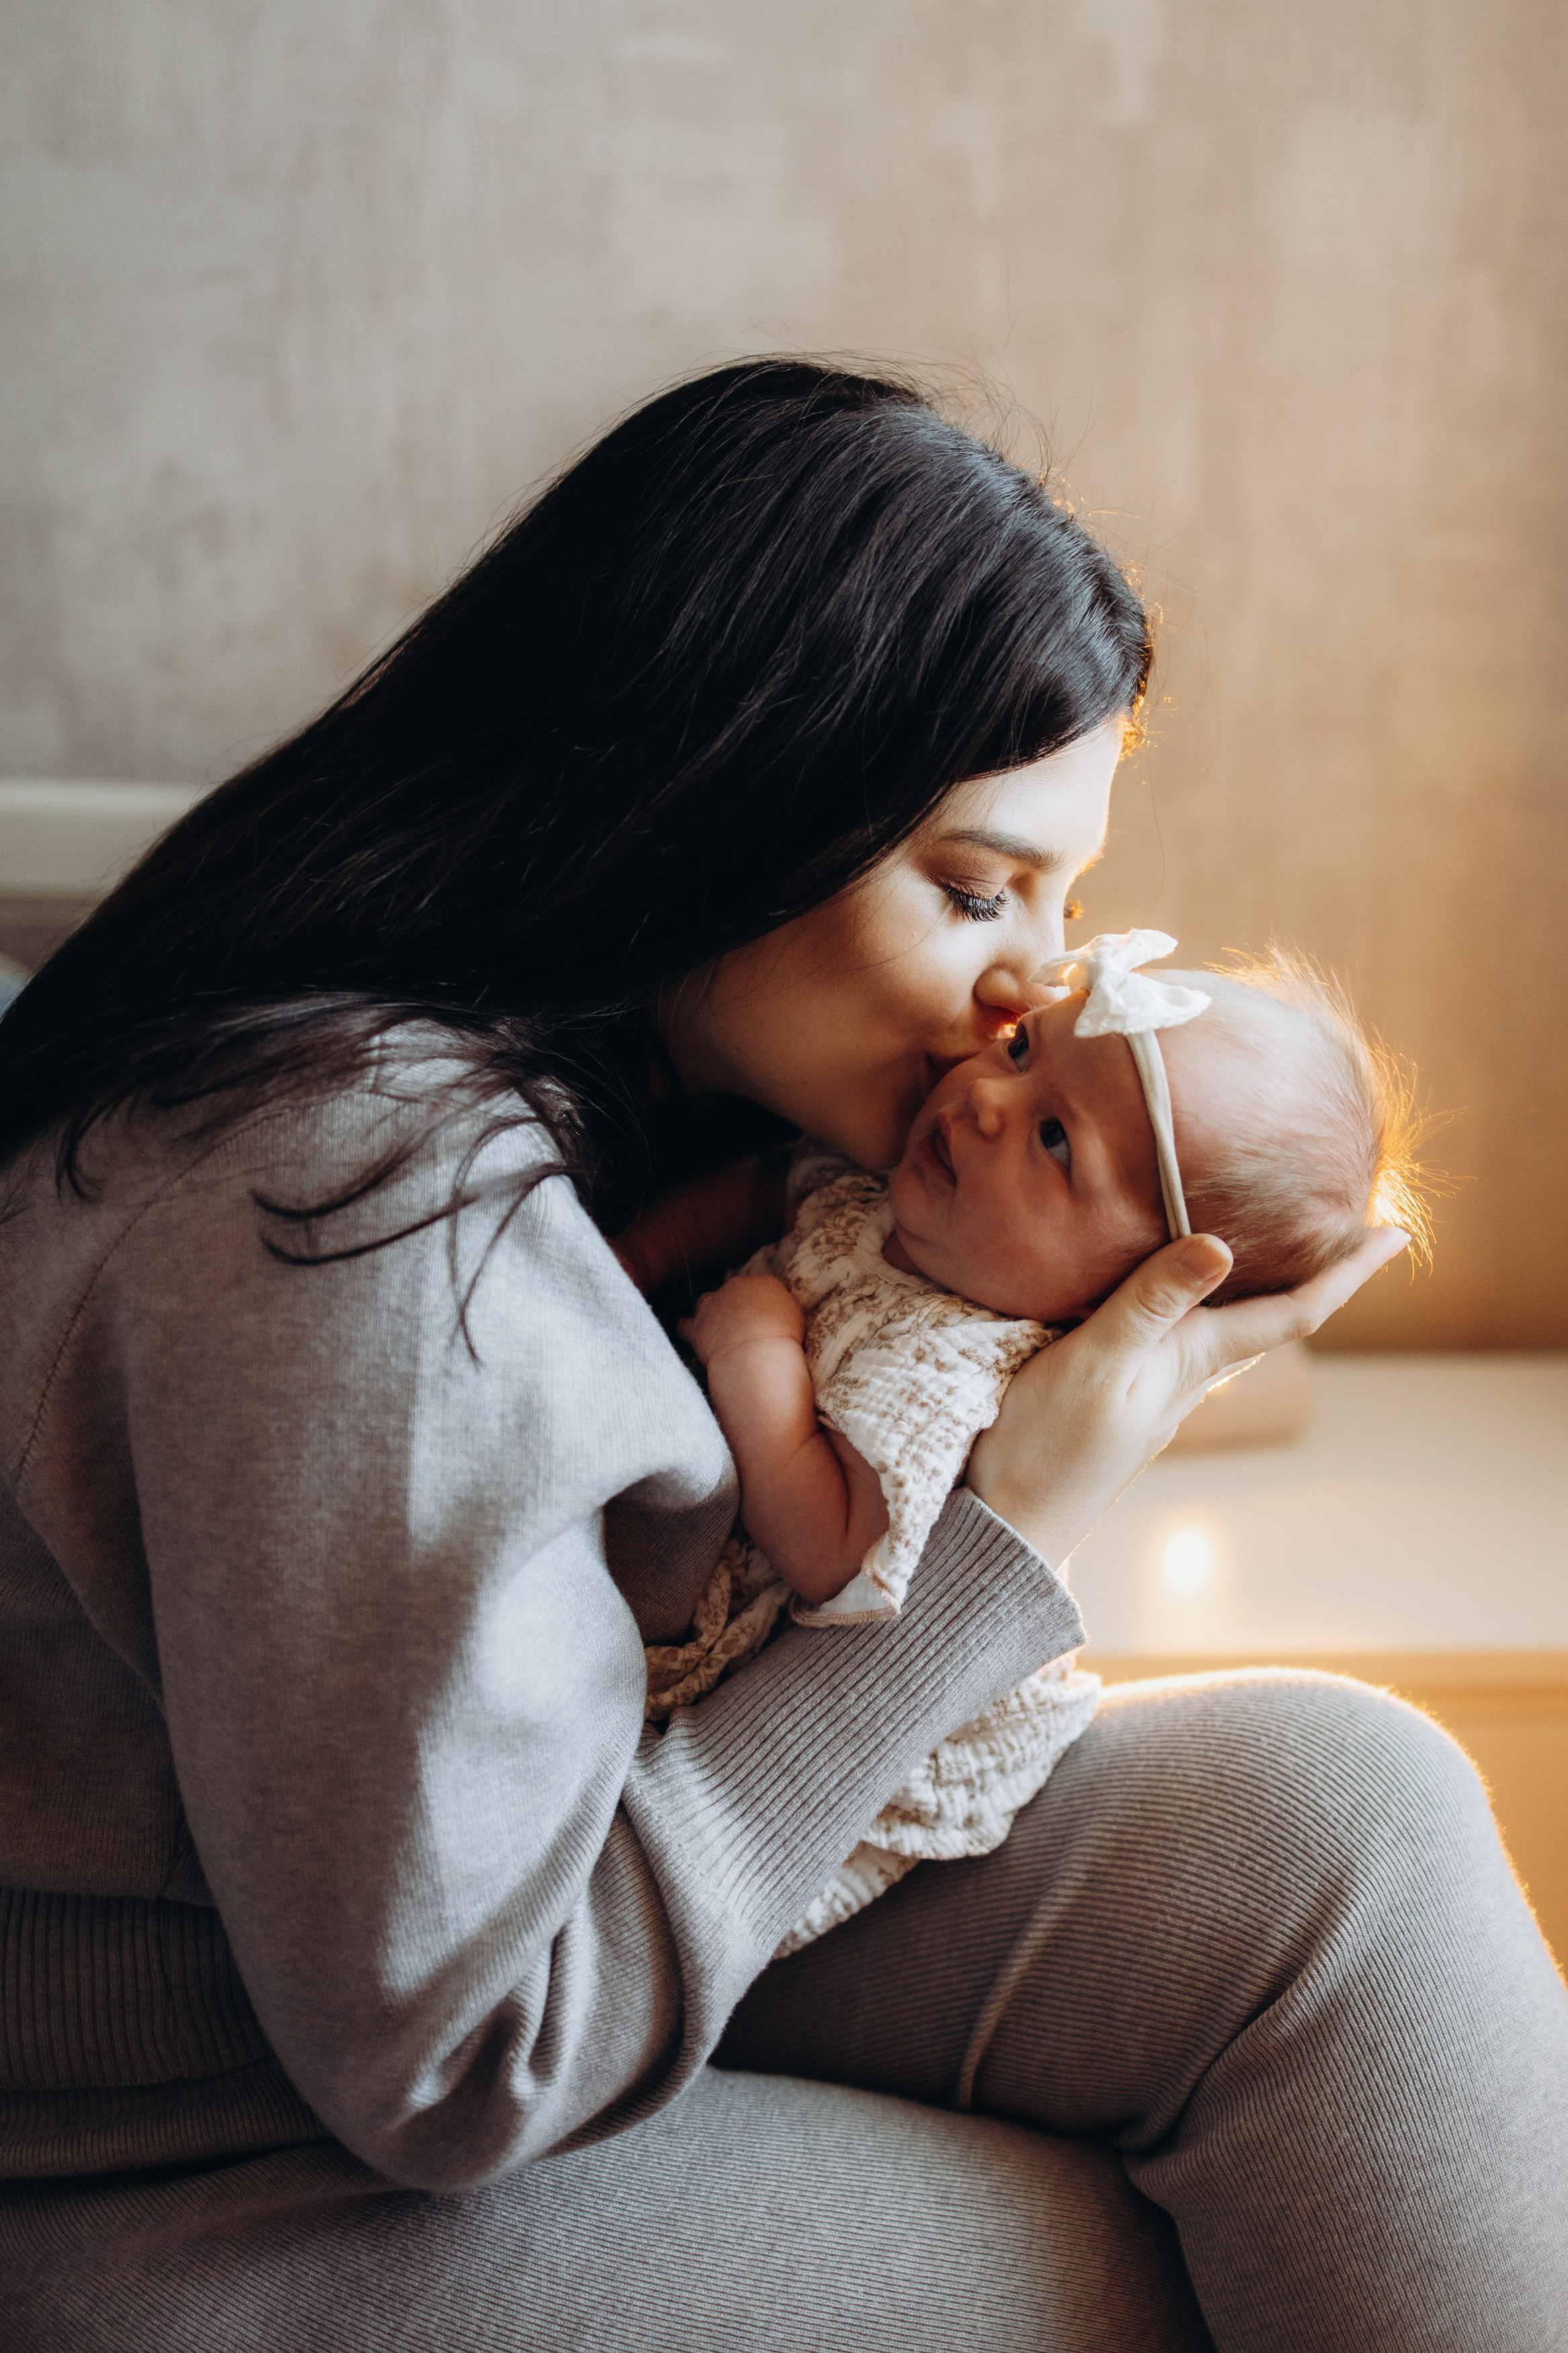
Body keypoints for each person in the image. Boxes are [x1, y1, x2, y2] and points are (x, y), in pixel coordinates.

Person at [0, 362, 1561, 2353]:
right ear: (731, 784)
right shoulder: (351, 1205)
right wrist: (990, 1552)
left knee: (1349, 1810)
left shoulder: (625, 1114)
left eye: (1065, 903)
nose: (1037, 982)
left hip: (485, 1941)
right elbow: (464, 2053)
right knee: (1170, 2248)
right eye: (975, 887)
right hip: (204, 2149)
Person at [639, 934, 1430, 1956]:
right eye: (1021, 1049)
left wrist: (757, 1359)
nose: (983, 1099)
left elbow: (832, 1552)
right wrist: (628, 1255)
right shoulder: (896, 1192)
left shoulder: (953, 1366)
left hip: (867, 1766)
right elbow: (766, 1188)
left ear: (1129, 1293)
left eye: (1055, 1141)